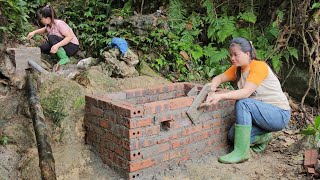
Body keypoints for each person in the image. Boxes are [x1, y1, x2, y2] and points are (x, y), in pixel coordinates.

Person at [204, 37, 291, 164]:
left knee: (243, 103)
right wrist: (213, 86)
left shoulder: (259, 66)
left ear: (247, 54)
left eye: (236, 54)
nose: (232, 58)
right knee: (233, 136)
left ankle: (241, 153)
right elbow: (219, 78)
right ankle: (264, 138)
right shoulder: (237, 69)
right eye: (231, 55)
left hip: (279, 114)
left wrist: (220, 96)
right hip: (260, 115)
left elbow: (245, 93)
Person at [27, 5, 79, 71]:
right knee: (43, 47)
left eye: (41, 19)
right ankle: (58, 57)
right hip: (64, 46)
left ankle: (64, 58)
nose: (40, 21)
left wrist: (56, 46)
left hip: (72, 47)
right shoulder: (49, 25)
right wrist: (33, 32)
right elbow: (44, 29)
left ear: (48, 18)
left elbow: (69, 37)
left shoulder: (59, 24)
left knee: (51, 37)